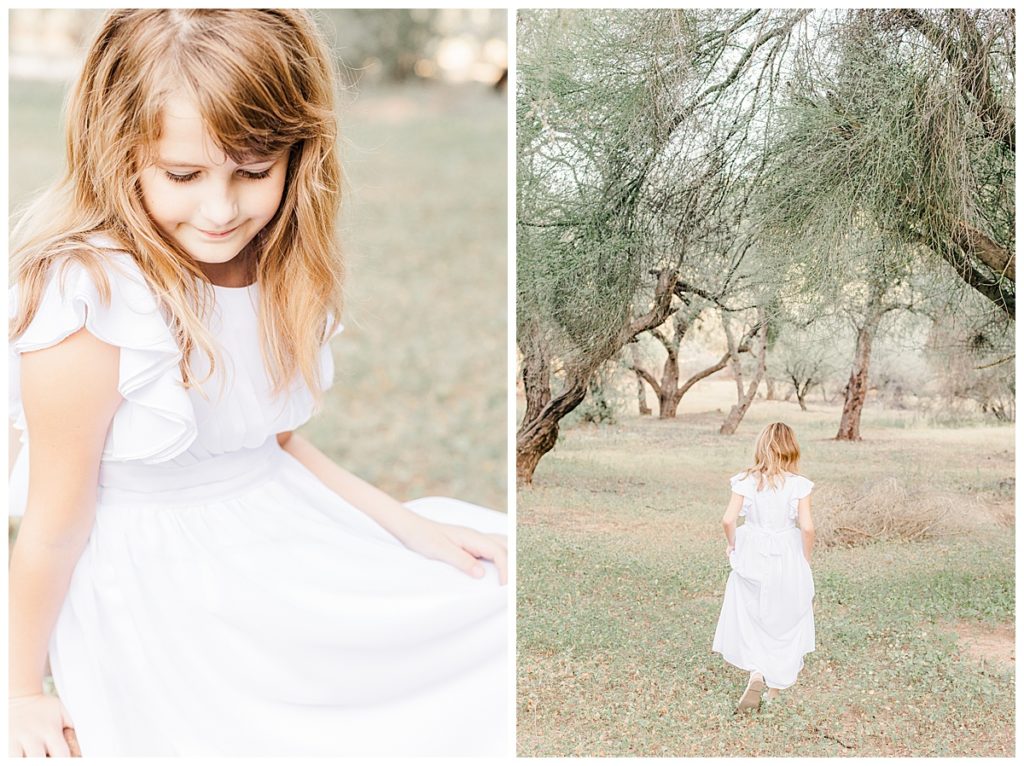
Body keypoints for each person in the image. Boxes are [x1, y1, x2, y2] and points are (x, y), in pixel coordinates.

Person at [8, 9, 507, 757]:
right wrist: (19, 689)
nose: (220, 209)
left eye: (252, 171)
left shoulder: (274, 263)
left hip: (280, 531)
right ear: (120, 153)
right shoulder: (94, 296)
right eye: (183, 175)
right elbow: (54, 522)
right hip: (171, 596)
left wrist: (408, 528)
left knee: (489, 597)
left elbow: (272, 444)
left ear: (297, 155)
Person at [712, 422, 815, 712]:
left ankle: (756, 670)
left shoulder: (746, 480)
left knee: (752, 614)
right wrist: (804, 559)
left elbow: (728, 520)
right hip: (785, 551)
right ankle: (773, 689)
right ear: (791, 448)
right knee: (784, 616)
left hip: (753, 551)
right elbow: (807, 527)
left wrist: (732, 545)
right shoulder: (799, 484)